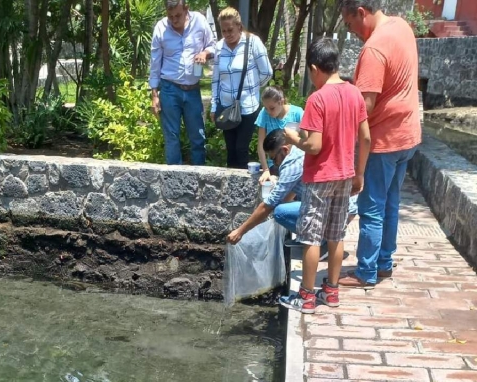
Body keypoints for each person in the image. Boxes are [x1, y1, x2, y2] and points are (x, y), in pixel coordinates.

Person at [278, 38, 371, 314]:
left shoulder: (317, 99)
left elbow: (315, 146)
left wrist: (294, 138)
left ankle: (305, 297)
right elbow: (365, 137)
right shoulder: (355, 93)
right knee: (336, 235)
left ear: (315, 68)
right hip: (344, 175)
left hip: (320, 178)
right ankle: (331, 292)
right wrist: (360, 173)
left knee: (310, 237)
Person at [337, 0, 421, 288]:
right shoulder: (402, 27)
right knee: (391, 203)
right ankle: (384, 262)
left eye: (350, 24)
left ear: (361, 13)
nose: (353, 32)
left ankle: (366, 271)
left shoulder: (373, 48)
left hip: (384, 141)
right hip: (408, 136)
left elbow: (365, 108)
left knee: (371, 207)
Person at [226, 129, 358, 258]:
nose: (275, 164)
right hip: (343, 204)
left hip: (337, 209)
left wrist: (240, 231)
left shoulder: (291, 165)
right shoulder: (300, 149)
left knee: (280, 212)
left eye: (274, 159)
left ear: (284, 150)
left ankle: (321, 241)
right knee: (284, 207)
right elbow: (289, 193)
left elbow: (269, 205)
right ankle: (317, 236)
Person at [149, 0, 216, 166]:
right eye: (170, 16)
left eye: (178, 15)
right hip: (169, 88)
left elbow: (214, 45)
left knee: (198, 136)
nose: (174, 19)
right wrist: (154, 95)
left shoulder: (199, 21)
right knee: (171, 136)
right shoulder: (161, 28)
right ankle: (173, 179)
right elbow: (155, 63)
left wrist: (205, 53)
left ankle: (199, 177)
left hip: (193, 90)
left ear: (187, 9)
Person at [210, 7, 272, 170]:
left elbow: (266, 72)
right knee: (230, 149)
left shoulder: (253, 43)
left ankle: (243, 188)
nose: (227, 34)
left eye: (230, 29)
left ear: (239, 26)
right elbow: (215, 79)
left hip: (247, 107)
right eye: (223, 31)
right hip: (226, 107)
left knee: (241, 148)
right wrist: (214, 106)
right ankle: (229, 187)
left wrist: (251, 87)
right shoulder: (219, 47)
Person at [255, 87, 304, 184]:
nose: (269, 112)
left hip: (294, 162)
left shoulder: (297, 113)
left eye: (272, 108)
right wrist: (265, 170)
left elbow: (306, 139)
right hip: (274, 162)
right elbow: (260, 144)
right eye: (266, 108)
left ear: (281, 102)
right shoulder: (264, 114)